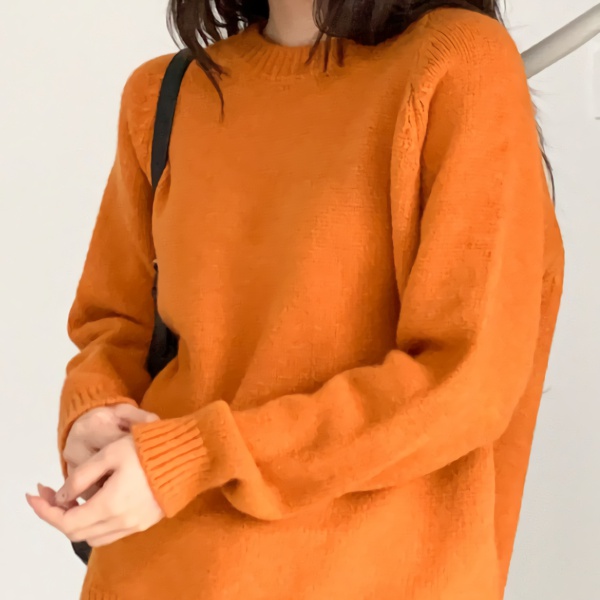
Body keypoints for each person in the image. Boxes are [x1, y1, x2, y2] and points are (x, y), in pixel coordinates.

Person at [26, 0, 565, 598]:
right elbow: (113, 324)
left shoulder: (455, 63)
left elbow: (466, 382)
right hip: (145, 574)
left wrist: (196, 455)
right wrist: (93, 410)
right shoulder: (163, 95)